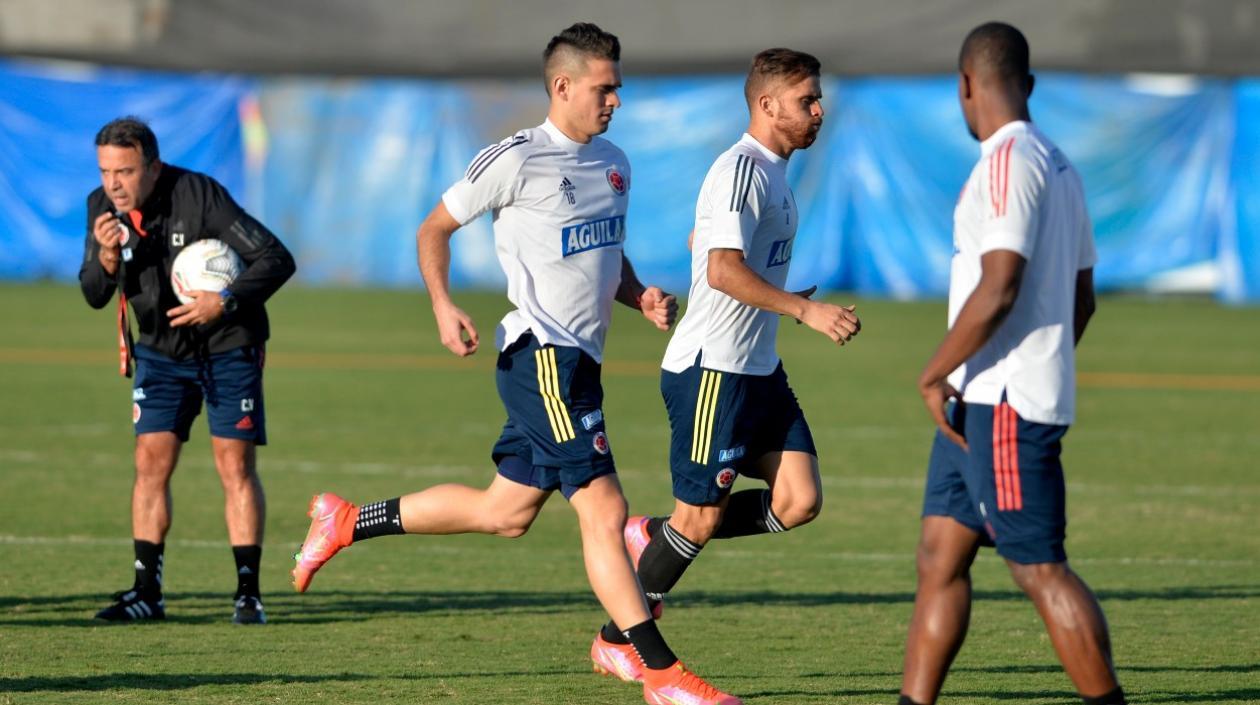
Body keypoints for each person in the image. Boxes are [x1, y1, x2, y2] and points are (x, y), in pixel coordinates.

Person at [290, 23, 740, 705]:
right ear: (562, 86)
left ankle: (348, 519)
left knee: (504, 511)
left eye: (617, 86)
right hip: (541, 357)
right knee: (605, 506)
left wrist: (638, 293)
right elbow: (433, 227)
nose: (615, 99)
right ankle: (654, 668)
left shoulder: (615, 161)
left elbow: (603, 253)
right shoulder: (515, 157)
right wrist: (442, 305)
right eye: (603, 87)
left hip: (578, 365)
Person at [588, 47, 862, 680]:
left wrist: (784, 300)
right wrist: (802, 310)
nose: (818, 111)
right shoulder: (742, 169)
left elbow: (715, 247)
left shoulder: (772, 173)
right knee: (702, 519)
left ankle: (654, 534)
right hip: (713, 372)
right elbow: (721, 268)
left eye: (818, 99)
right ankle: (614, 639)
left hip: (758, 369)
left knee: (798, 500)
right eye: (806, 101)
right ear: (767, 106)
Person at [897, 22, 1125, 705]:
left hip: (999, 403)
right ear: (1027, 84)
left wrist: (936, 370)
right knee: (940, 558)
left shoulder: (1006, 163)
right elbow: (1082, 296)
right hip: (984, 400)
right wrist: (1044, 359)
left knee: (1039, 568)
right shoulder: (1060, 164)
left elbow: (1000, 283)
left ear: (966, 86)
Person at [80, 117, 296, 624]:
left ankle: (248, 593)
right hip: (158, 352)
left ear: (153, 168)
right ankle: (146, 592)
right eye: (106, 171)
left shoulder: (200, 196)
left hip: (227, 346)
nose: (114, 184)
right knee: (149, 464)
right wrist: (107, 256)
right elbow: (94, 294)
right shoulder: (101, 208)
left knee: (234, 467)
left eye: (126, 171)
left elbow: (275, 258)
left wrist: (223, 301)